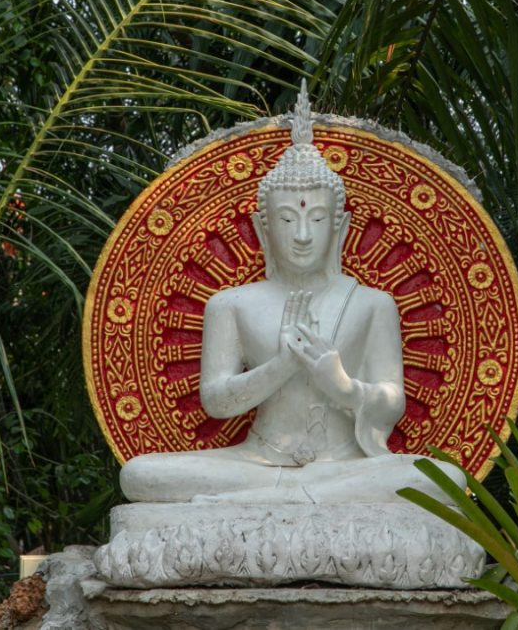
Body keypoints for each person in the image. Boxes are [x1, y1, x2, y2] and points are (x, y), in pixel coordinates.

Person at [119, 84, 465, 503]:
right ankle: (301, 496)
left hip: (344, 464)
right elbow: (216, 401)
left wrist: (344, 387)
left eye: (316, 219)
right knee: (139, 475)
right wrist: (281, 365)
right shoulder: (231, 304)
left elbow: (392, 402)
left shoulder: (373, 304)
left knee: (444, 478)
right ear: (263, 229)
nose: (302, 235)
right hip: (257, 462)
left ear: (339, 228)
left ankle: (286, 498)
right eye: (286, 220)